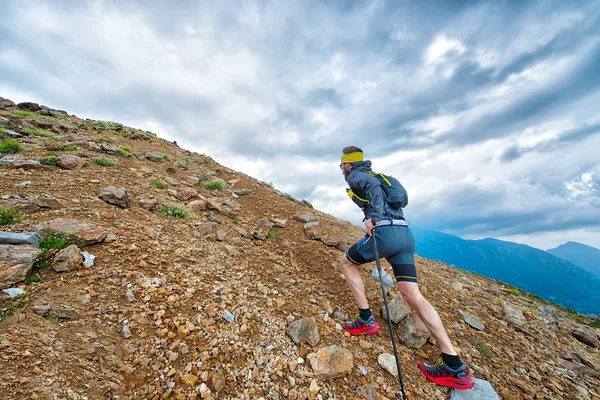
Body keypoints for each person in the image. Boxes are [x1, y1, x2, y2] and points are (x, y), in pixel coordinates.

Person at [339, 146, 474, 391]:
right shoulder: (380, 176)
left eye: (341, 166)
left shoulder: (356, 176)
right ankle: (454, 364)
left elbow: (372, 191)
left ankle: (366, 319)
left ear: (348, 164)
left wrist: (375, 218)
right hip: (404, 234)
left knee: (346, 262)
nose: (342, 170)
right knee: (412, 294)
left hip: (385, 232)